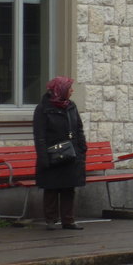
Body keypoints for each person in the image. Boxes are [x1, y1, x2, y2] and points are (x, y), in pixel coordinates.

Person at [32, 76, 88, 230]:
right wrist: (43, 157)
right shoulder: (43, 108)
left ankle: (68, 220)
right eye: (70, 88)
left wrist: (82, 147)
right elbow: (39, 135)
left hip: (71, 154)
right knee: (51, 188)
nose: (72, 90)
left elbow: (78, 128)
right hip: (52, 154)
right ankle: (50, 220)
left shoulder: (71, 106)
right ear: (61, 90)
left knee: (69, 188)